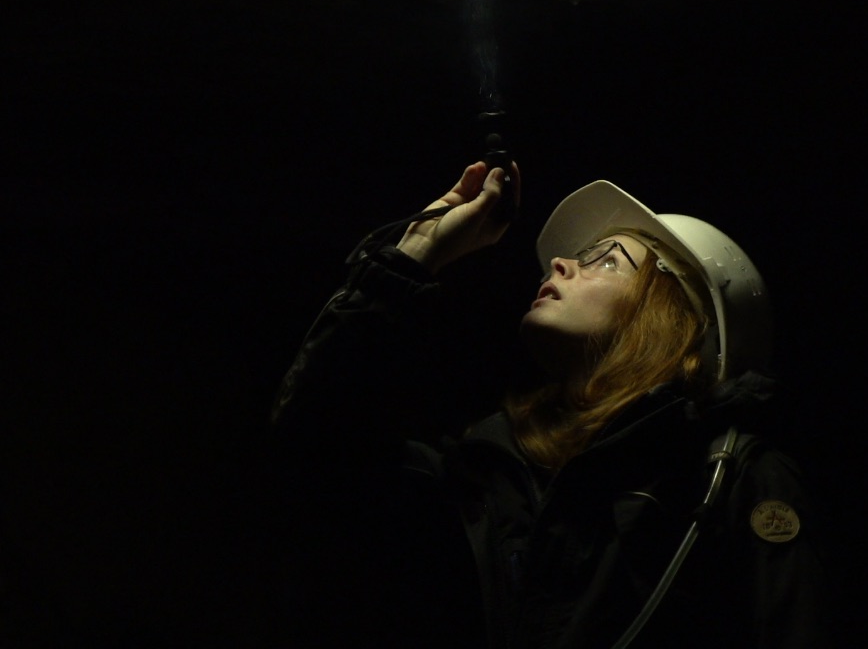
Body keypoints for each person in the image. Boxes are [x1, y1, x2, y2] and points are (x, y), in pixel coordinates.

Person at [269, 161, 832, 647]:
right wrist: (413, 254)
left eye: (606, 259)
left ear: (670, 315)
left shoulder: (728, 475)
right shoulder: (484, 472)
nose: (560, 263)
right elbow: (312, 448)